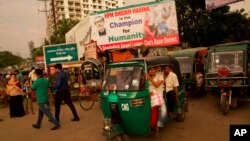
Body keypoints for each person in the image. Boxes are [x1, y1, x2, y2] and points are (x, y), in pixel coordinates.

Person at [146, 66, 167, 138]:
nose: (151, 71)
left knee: (164, 111)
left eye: (152, 69)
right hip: (150, 99)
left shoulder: (160, 76)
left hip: (159, 98)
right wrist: (148, 93)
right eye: (149, 69)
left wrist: (149, 78)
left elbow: (157, 85)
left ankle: (158, 126)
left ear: (155, 70)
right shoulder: (146, 78)